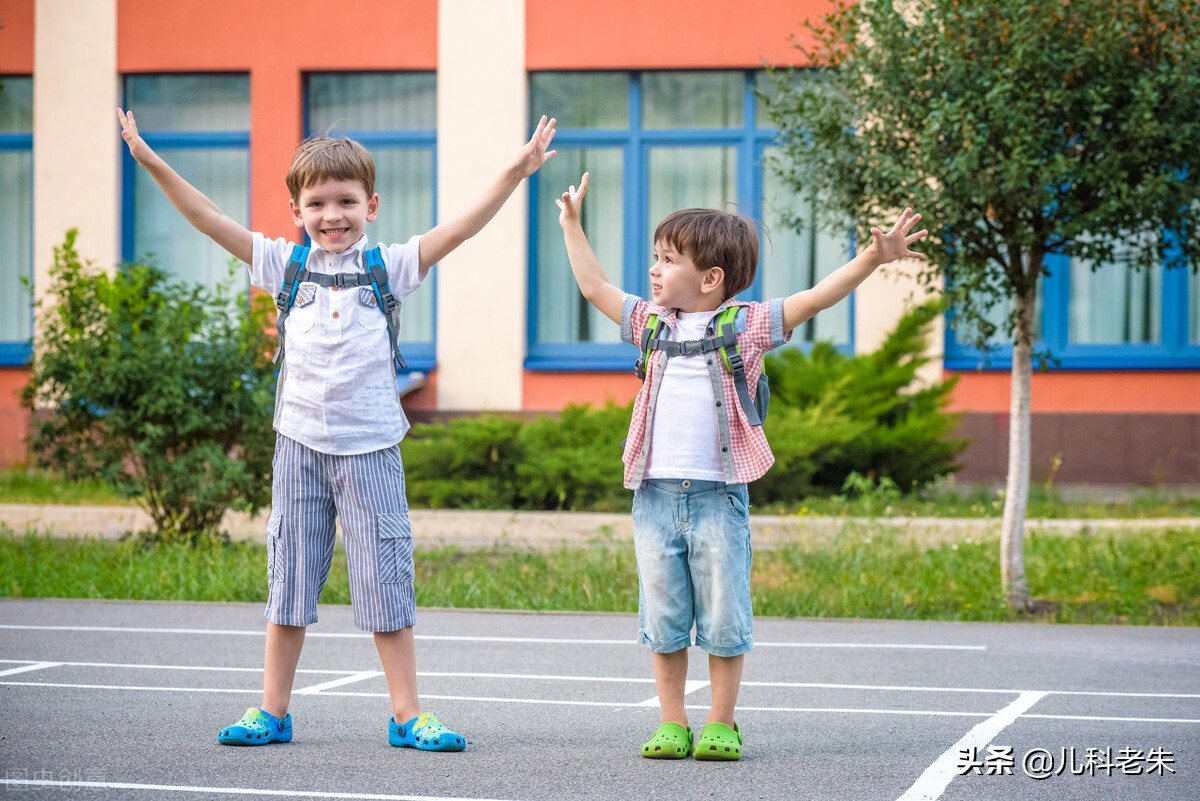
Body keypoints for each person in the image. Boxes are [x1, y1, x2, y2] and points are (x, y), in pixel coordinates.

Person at [117, 107, 557, 751]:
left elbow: (461, 229)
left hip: (372, 449)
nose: (333, 215)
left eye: (346, 201)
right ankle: (271, 710)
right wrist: (152, 161)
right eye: (317, 202)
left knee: (385, 579)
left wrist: (517, 170)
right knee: (289, 578)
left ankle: (408, 715)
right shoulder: (281, 265)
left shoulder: (391, 266)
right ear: (295, 209)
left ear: (371, 204)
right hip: (297, 447)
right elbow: (209, 219)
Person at [556, 172, 925, 761]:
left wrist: (871, 260)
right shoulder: (652, 325)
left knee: (725, 616)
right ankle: (672, 722)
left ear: (710, 278)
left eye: (667, 259)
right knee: (664, 614)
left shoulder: (744, 327)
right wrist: (572, 224)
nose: (653, 269)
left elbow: (815, 298)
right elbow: (595, 286)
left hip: (718, 498)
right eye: (654, 256)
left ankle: (722, 722)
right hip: (652, 495)